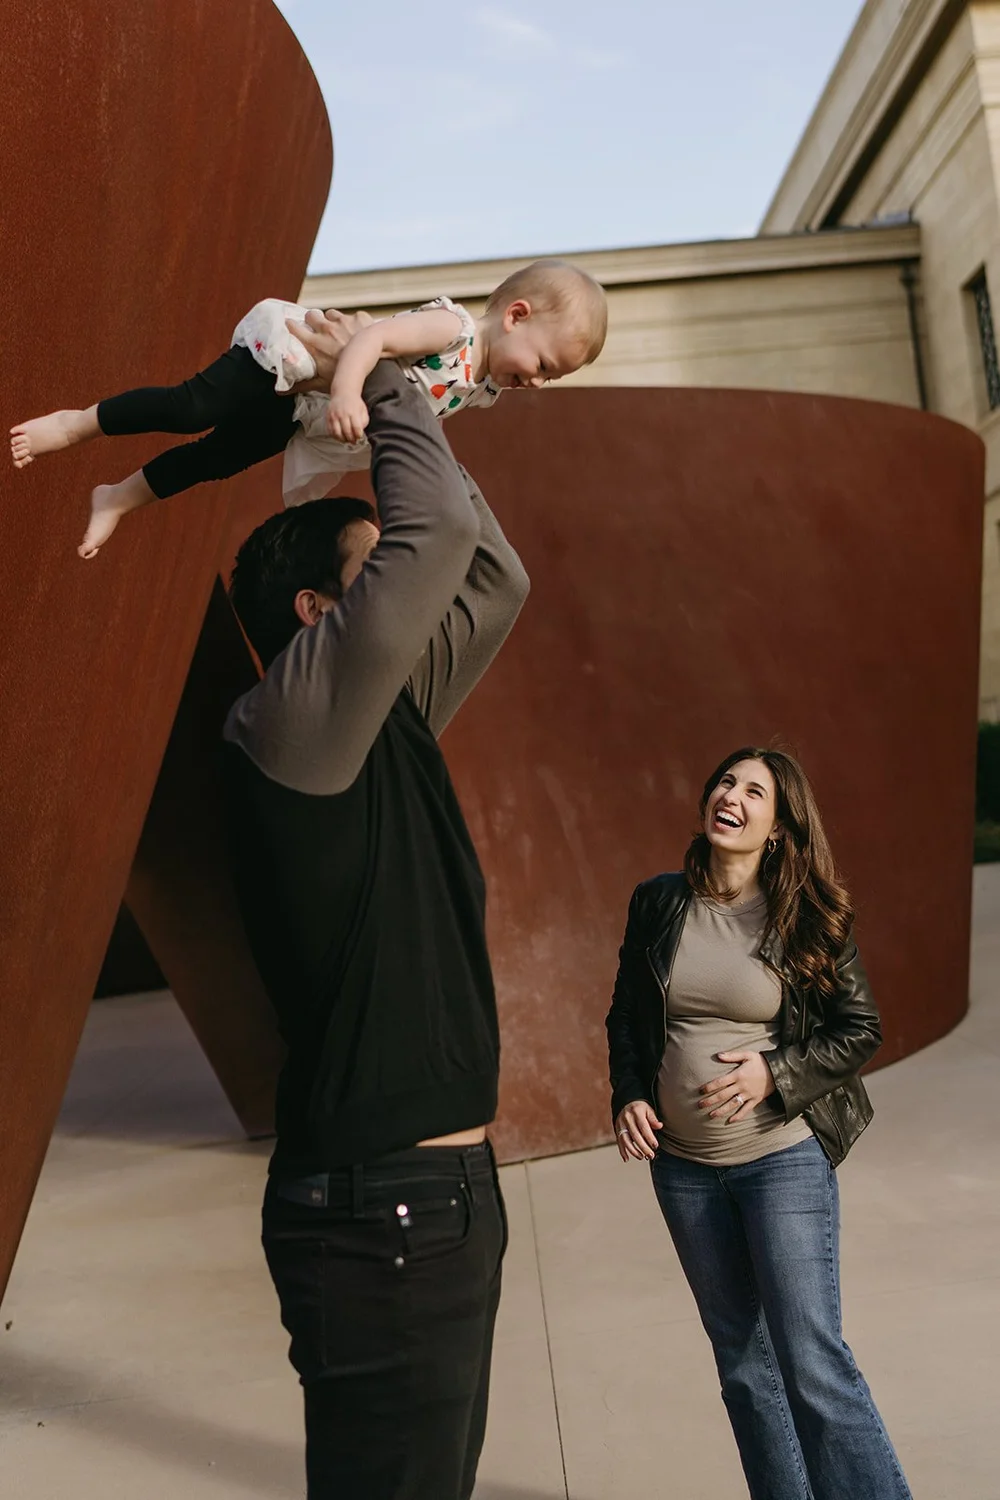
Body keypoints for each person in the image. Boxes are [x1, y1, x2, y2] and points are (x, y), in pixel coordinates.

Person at [217, 311, 529, 1499]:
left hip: (426, 1209)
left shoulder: (375, 716)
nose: (413, 577)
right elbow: (439, 527)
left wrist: (442, 403)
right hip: (382, 1219)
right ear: (316, 618)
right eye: (374, 569)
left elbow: (491, 572)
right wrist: (390, 365)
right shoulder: (295, 723)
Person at [606, 746, 913, 1500]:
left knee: (812, 1362)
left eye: (754, 791)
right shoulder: (658, 901)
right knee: (743, 1365)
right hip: (682, 1168)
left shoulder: (805, 915)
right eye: (725, 781)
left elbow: (860, 1028)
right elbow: (625, 1019)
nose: (731, 795)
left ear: (777, 827)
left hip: (782, 1160)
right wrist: (630, 1095)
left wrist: (773, 1073)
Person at [8, 257, 607, 555]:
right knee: (190, 409)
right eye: (545, 366)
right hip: (291, 358)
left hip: (304, 411)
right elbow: (372, 339)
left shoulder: (486, 388)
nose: (540, 383)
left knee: (216, 458)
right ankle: (75, 424)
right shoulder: (450, 329)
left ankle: (117, 497)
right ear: (516, 315)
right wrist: (347, 390)